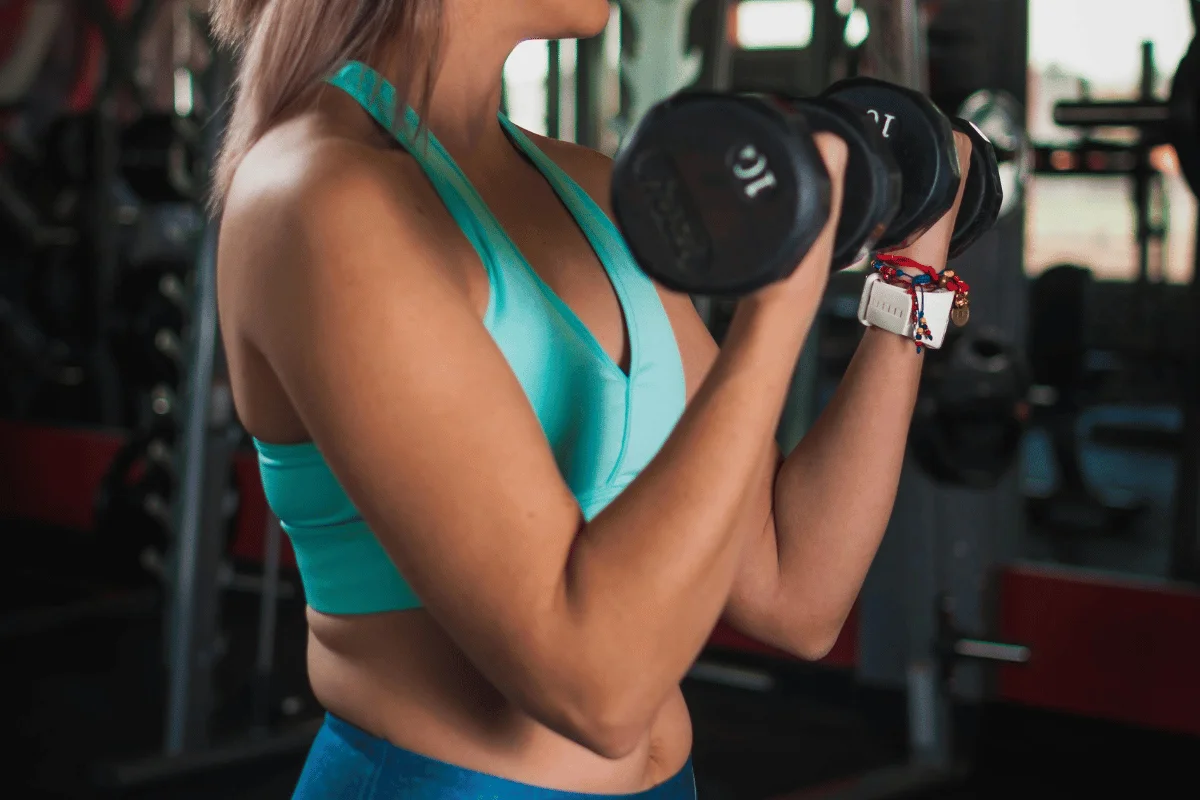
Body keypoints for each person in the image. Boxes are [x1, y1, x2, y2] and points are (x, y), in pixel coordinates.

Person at [211, 0, 972, 797]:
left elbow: (796, 590)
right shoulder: (321, 198)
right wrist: (780, 297)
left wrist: (909, 273)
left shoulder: (593, 189)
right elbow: (595, 689)